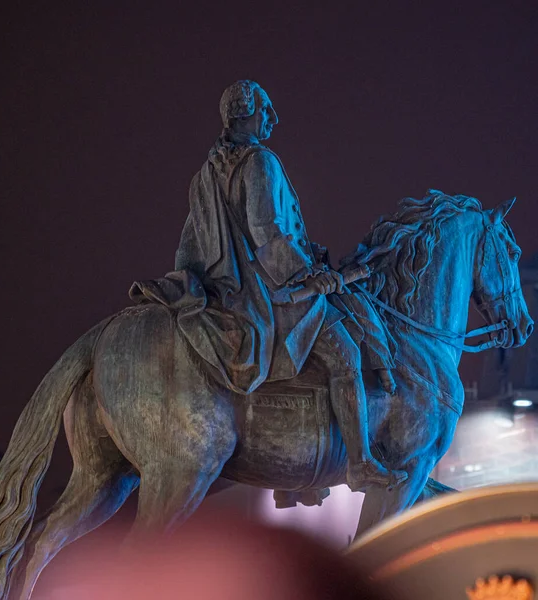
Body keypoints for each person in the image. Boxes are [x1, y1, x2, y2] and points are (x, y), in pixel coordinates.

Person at [133, 80, 405, 492]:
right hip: (270, 292)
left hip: (227, 289)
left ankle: (297, 479)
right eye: (266, 110)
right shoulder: (261, 163)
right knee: (345, 352)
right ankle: (361, 462)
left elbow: (191, 245)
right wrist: (311, 275)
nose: (272, 119)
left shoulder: (204, 173)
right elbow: (267, 233)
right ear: (247, 113)